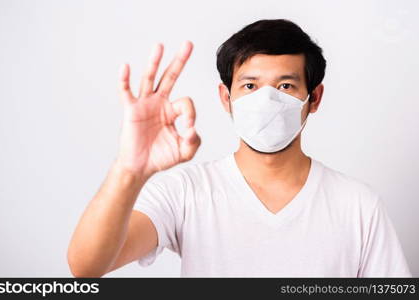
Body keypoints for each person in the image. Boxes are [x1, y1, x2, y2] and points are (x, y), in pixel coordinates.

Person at [67, 19, 412, 277]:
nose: (267, 99)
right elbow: (87, 266)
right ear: (226, 97)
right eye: (250, 85)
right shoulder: (187, 193)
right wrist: (128, 170)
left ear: (314, 98)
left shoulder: (358, 206)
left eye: (286, 85)